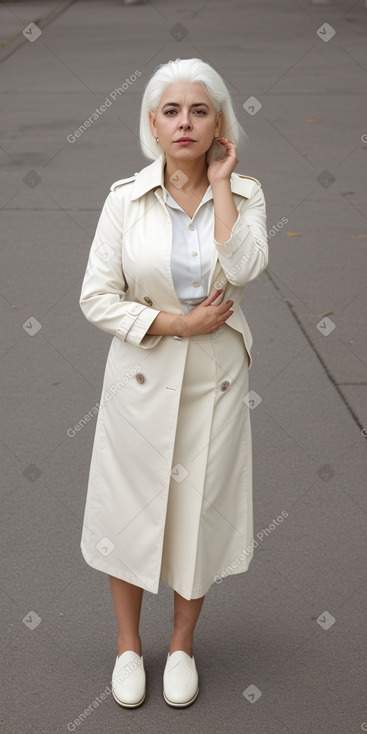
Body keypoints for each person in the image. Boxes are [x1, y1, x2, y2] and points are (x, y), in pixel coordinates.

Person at [78, 57, 268, 709]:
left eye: (198, 110)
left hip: (215, 377)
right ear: (151, 125)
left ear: (218, 121)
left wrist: (219, 186)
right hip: (143, 373)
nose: (184, 122)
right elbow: (95, 298)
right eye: (170, 111)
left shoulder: (244, 194)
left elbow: (244, 269)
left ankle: (182, 645)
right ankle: (130, 648)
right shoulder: (123, 200)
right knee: (128, 511)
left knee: (200, 512)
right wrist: (176, 325)